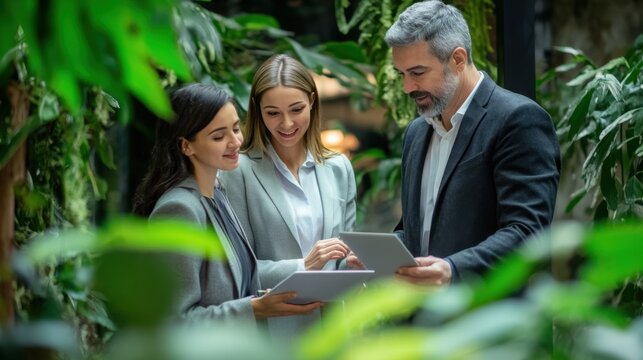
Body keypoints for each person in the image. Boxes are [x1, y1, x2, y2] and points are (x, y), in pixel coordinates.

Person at [378, 0, 560, 285]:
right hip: (422, 322)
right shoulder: (416, 132)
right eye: (402, 74)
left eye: (417, 72)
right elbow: (417, 232)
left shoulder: (519, 119)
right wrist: (378, 254)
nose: (407, 87)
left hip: (491, 320)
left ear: (458, 59)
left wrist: (453, 270)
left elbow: (528, 232)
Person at [132, 83, 320, 325]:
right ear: (186, 145)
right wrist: (252, 309)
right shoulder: (180, 209)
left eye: (235, 129)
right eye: (219, 136)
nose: (235, 142)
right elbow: (173, 322)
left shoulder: (217, 194)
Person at [219, 54, 356, 340]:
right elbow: (236, 270)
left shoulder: (338, 167)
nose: (287, 123)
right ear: (257, 110)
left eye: (296, 109)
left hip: (333, 332)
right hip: (273, 334)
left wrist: (356, 263)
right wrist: (304, 265)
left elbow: (343, 254)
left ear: (312, 102)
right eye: (273, 113)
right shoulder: (238, 172)